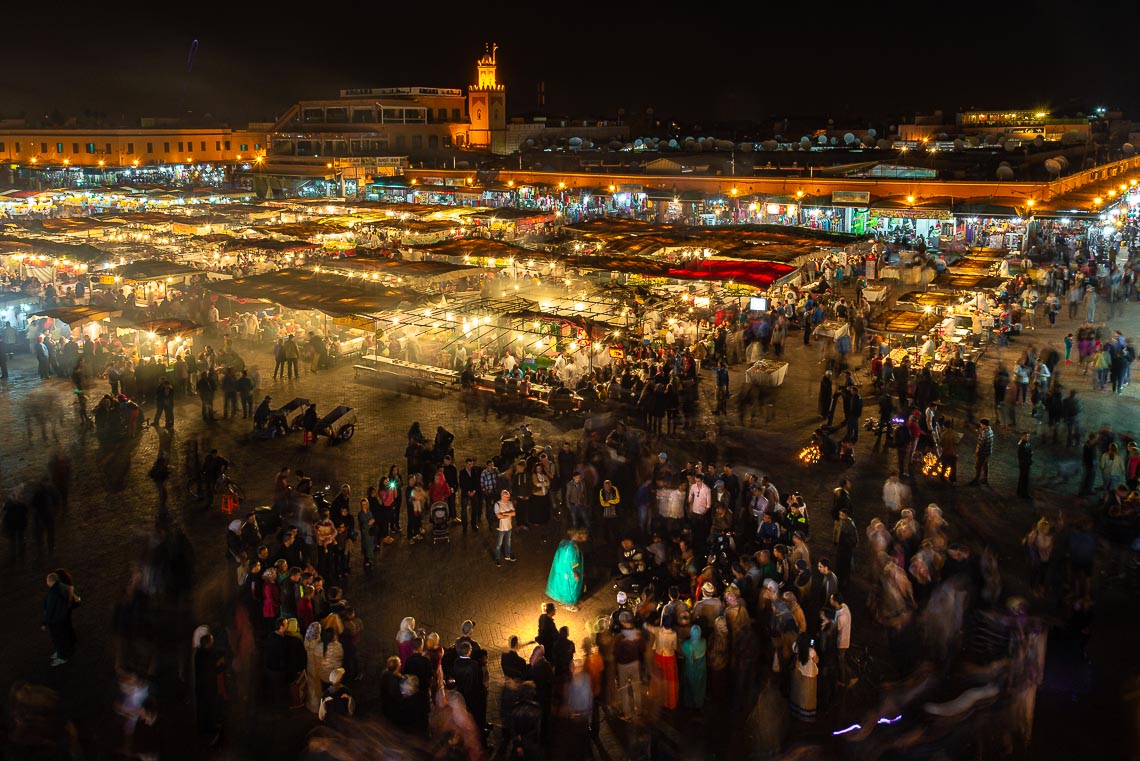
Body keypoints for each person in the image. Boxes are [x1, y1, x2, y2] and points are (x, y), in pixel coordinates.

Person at [42, 571, 78, 666]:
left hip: (56, 621)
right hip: (64, 617)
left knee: (58, 639)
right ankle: (62, 652)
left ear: (50, 581)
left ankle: (62, 657)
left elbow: (49, 610)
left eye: (47, 581)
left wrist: (44, 623)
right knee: (63, 637)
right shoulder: (66, 587)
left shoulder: (53, 593)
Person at [545, 530, 584, 610]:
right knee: (570, 588)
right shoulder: (571, 548)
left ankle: (570, 601)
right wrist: (575, 573)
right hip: (569, 572)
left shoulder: (564, 543)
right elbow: (572, 561)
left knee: (563, 585)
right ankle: (569, 604)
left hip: (562, 569)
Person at [789, 632, 819, 721]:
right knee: (808, 694)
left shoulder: (795, 646)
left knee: (798, 691)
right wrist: (813, 648)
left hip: (798, 671)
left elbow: (794, 650)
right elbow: (816, 661)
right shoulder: (811, 651)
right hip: (809, 673)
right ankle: (806, 715)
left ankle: (796, 710)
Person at [680, 623, 707, 709]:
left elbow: (681, 647)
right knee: (699, 687)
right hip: (701, 669)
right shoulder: (703, 642)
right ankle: (699, 703)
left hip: (690, 669)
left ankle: (689, 704)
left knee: (689, 687)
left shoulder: (686, 645)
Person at [494, 489, 517, 567]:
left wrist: (503, 514)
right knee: (498, 544)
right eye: (507, 497)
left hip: (509, 527)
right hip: (501, 528)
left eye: (509, 497)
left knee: (508, 542)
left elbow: (514, 513)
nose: (508, 498)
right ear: (502, 496)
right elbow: (498, 516)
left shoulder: (510, 503)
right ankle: (497, 558)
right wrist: (508, 514)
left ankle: (508, 555)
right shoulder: (497, 504)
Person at [969, 419, 994, 485]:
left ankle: (976, 479)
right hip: (988, 451)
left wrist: (978, 451)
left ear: (984, 425)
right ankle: (985, 479)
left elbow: (981, 443)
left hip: (983, 452)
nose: (980, 425)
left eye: (981, 424)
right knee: (985, 464)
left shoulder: (985, 433)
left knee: (978, 466)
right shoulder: (990, 430)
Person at [1017, 431, 1033, 499]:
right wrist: (1030, 454)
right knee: (1024, 479)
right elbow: (1022, 456)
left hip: (1026, 463)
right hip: (1024, 464)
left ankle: (1019, 491)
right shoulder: (1022, 445)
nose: (1027, 437)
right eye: (1026, 436)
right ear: (1022, 436)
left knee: (1023, 478)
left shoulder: (1027, 443)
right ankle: (1023, 493)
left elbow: (1029, 451)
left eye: (1028, 436)